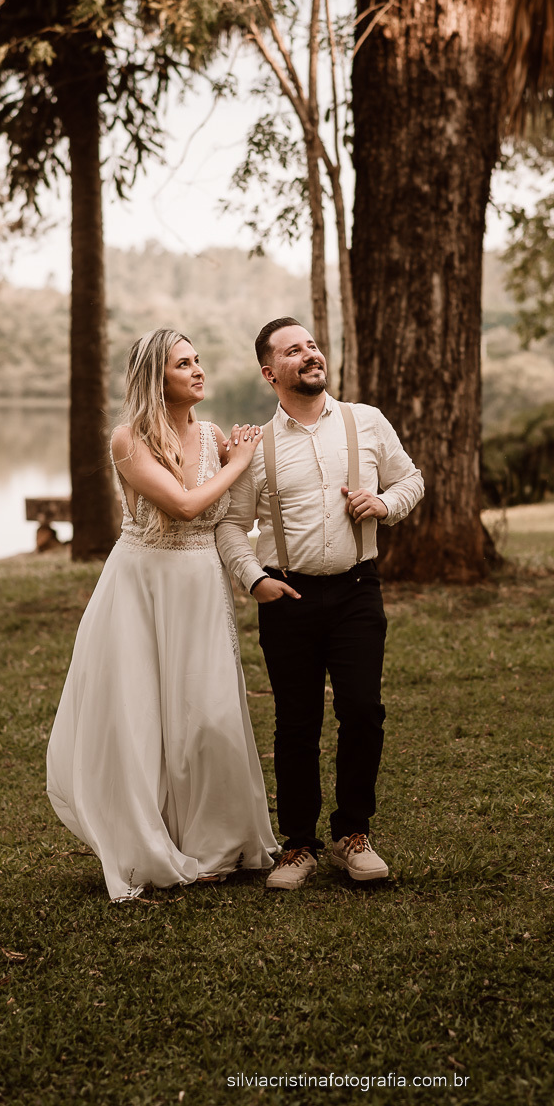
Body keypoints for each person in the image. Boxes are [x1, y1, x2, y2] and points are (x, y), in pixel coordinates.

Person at [46, 328, 278, 901]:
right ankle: (151, 840)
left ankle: (217, 841)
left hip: (201, 583)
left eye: (198, 360)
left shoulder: (213, 436)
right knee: (142, 713)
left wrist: (242, 466)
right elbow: (183, 504)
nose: (198, 370)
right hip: (141, 583)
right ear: (156, 377)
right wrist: (240, 461)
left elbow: (230, 516)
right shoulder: (127, 439)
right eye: (183, 364)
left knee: (207, 710)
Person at [215, 317, 423, 891]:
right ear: (270, 373)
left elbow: (411, 480)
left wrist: (384, 504)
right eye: (293, 350)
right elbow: (231, 525)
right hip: (288, 596)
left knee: (363, 711)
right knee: (296, 722)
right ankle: (298, 844)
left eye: (311, 345)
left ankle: (353, 833)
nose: (310, 354)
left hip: (357, 590)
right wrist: (254, 580)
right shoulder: (257, 446)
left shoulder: (366, 421)